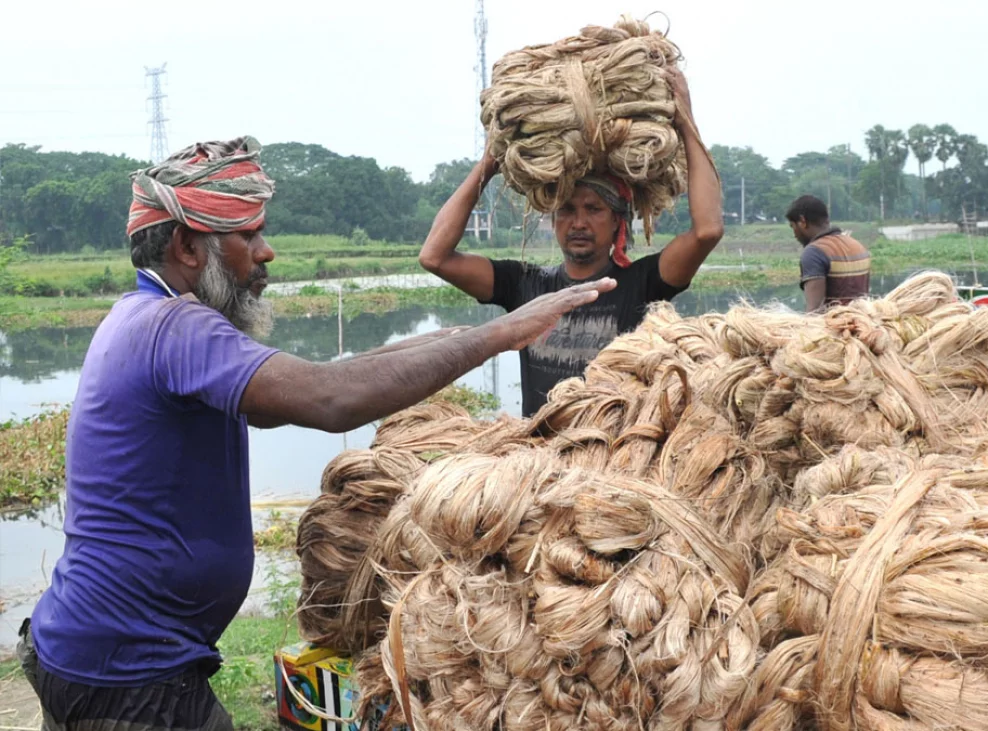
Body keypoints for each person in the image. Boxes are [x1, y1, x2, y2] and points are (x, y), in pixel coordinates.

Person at [16, 137, 613, 731]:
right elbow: (330, 399)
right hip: (130, 674)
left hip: (98, 653)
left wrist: (446, 338)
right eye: (248, 235)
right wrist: (499, 335)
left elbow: (292, 396)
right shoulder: (176, 327)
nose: (266, 251)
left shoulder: (147, 318)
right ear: (187, 245)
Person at [419, 68, 723, 416]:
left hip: (612, 458)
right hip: (538, 456)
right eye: (566, 210)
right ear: (552, 220)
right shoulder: (524, 285)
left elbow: (707, 231)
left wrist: (685, 123)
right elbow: (435, 257)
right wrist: (491, 160)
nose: (578, 222)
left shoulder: (641, 283)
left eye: (594, 209)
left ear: (617, 224)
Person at [786, 194, 871, 311]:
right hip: (864, 324)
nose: (794, 234)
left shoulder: (814, 252)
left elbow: (815, 311)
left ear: (802, 221)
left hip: (835, 327)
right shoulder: (857, 245)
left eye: (793, 226)